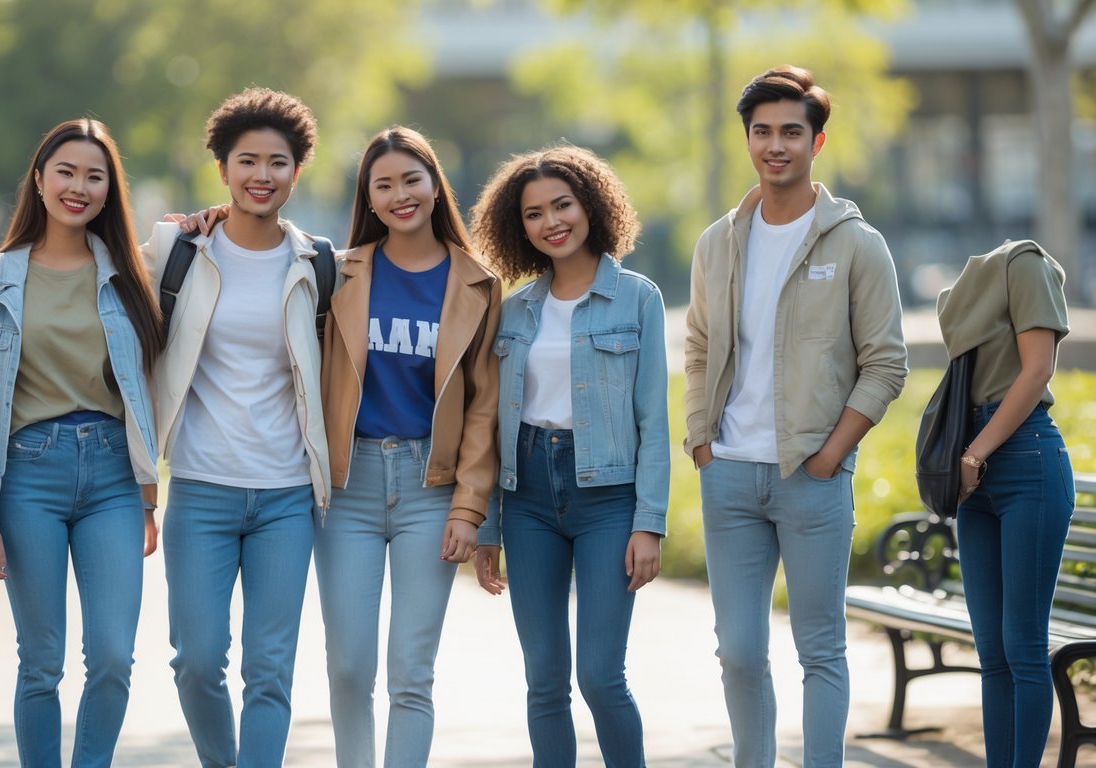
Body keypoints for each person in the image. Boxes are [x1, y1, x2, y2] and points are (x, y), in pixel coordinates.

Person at [683, 65, 907, 767]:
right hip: (728, 474)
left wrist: (830, 453)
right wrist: (700, 440)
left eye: (789, 131)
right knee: (739, 652)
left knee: (820, 648)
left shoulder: (855, 244)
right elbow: (695, 345)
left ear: (816, 140)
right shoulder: (717, 242)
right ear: (746, 138)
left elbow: (886, 362)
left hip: (813, 475)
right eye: (761, 132)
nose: (773, 145)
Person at [145, 87, 331, 768]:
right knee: (195, 660)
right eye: (246, 160)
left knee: (270, 669)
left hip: (285, 493)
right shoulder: (177, 249)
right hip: (201, 487)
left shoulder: (319, 263)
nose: (262, 175)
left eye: (277, 162)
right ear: (221, 169)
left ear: (296, 172)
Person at [0, 118, 165, 767]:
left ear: (110, 189)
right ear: (40, 179)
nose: (79, 187)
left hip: (112, 474)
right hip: (29, 477)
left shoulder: (129, 276)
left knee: (112, 655)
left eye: (94, 175)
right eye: (67, 172)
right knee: (41, 660)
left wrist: (144, 492)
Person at [470, 145, 668, 767]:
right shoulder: (514, 310)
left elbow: (652, 420)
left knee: (601, 678)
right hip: (527, 496)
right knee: (544, 684)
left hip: (608, 498)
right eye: (534, 213)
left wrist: (649, 522)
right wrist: (488, 527)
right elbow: (492, 421)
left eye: (563, 204)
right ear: (517, 226)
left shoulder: (637, 298)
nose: (551, 221)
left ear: (591, 206)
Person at [316, 126, 500, 767]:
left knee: (410, 671)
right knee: (348, 667)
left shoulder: (478, 284)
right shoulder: (337, 272)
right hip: (349, 487)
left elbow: (484, 408)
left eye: (411, 180)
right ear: (367, 198)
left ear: (434, 184)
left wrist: (468, 508)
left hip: (432, 488)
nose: (400, 195)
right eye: (383, 185)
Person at [937, 239, 1073, 768]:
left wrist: (974, 454)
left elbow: (1037, 370)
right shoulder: (965, 291)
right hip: (977, 469)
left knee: (1022, 647)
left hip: (1027, 462)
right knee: (991, 655)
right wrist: (968, 458)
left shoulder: (1027, 265)